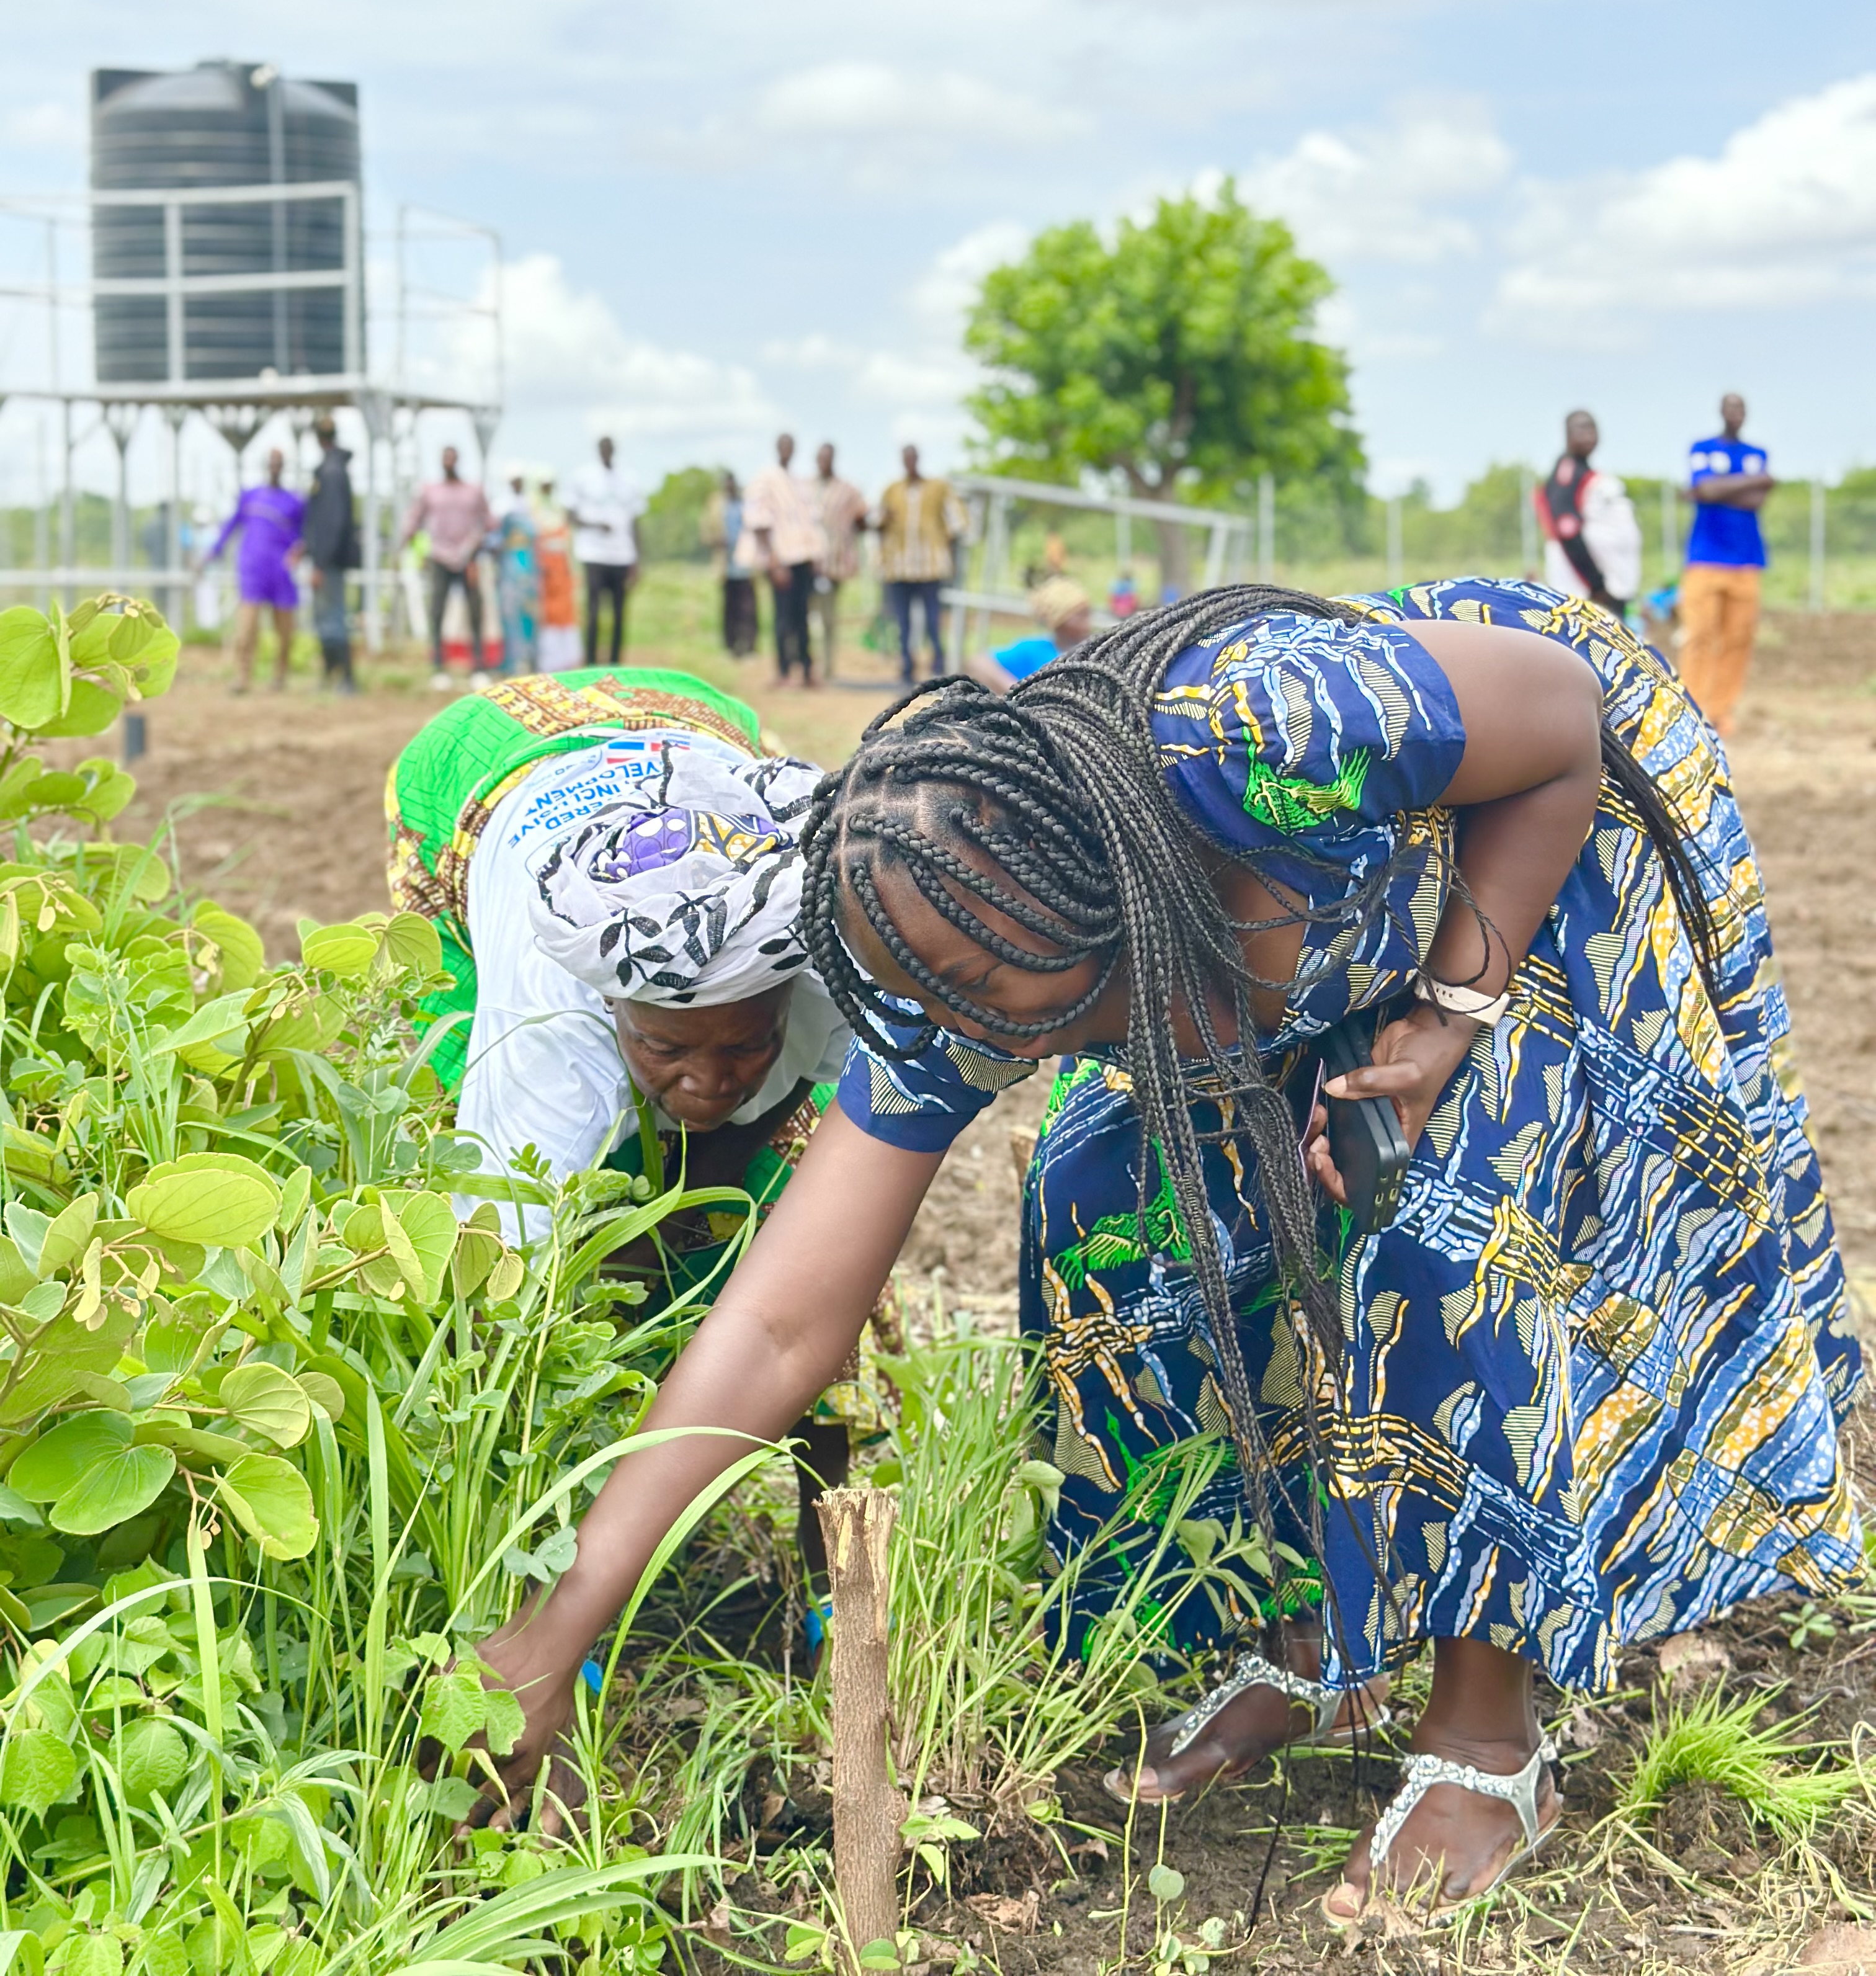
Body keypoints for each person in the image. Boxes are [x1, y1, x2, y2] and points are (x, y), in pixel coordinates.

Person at [455, 577, 1857, 1931]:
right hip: (1279, 928)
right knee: (1102, 1211)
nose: (998, 1051)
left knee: (1445, 1236)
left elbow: (1557, 721)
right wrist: (556, 1626)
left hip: (1528, 837)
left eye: (1033, 1015)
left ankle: (1488, 1733)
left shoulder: (1272, 735)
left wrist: (1447, 1011)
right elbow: (776, 1325)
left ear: (1113, 895)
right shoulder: (950, 950)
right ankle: (1300, 1636)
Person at [385, 665, 865, 1602]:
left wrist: (710, 1190)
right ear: (610, 1008)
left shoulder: (831, 961)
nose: (709, 1081)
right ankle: (561, 1545)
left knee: (799, 1213)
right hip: (477, 773)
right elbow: (505, 1291)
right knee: (551, 1247)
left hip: (692, 724)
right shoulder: (548, 1025)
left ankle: (834, 1596)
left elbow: (842, 1214)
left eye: (746, 1045)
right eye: (663, 1047)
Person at [1680, 393, 1775, 738]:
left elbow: (1756, 500)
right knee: (1700, 635)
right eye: (1730, 407)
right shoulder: (1702, 447)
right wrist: (1755, 481)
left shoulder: (1757, 453)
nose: (1736, 413)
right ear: (1721, 411)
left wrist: (1719, 490)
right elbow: (1705, 490)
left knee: (1739, 638)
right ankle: (1692, 707)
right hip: (1705, 558)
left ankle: (1721, 712)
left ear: (1746, 415)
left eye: (1741, 408)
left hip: (1747, 560)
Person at [203, 446, 303, 694]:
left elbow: (303, 536)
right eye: (271, 462)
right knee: (247, 628)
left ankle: (280, 675)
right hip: (253, 570)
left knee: (285, 629)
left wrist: (299, 552)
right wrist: (213, 552)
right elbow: (231, 526)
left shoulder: (294, 502)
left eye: (279, 463)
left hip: (281, 572)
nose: (275, 467)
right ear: (266, 465)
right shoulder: (250, 497)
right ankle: (243, 676)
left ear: (283, 467)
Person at [398, 447, 495, 692]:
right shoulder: (430, 491)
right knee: (437, 611)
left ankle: (479, 666)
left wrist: (477, 545)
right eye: (445, 458)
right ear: (441, 462)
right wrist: (413, 551)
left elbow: (489, 522)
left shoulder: (473, 491)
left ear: (457, 460)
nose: (449, 462)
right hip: (440, 557)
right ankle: (439, 666)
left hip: (468, 558)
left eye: (452, 458)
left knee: (475, 611)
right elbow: (413, 522)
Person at [1532, 411, 1641, 619]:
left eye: (1592, 428)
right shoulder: (1569, 471)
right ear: (1567, 434)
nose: (1589, 435)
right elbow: (1566, 531)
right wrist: (1597, 584)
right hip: (1586, 589)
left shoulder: (1583, 470)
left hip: (1603, 585)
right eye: (1581, 429)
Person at [875, 444, 964, 685]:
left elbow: (958, 520)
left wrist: (942, 538)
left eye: (913, 458)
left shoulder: (937, 488)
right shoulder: (892, 490)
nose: (910, 463)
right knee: (902, 621)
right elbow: (878, 521)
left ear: (918, 459)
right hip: (900, 567)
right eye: (906, 459)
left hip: (929, 566)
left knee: (933, 619)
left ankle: (937, 663)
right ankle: (907, 664)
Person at [744, 434, 826, 688]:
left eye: (791, 447)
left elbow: (810, 523)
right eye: (784, 447)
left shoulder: (800, 483)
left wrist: (815, 556)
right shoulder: (766, 479)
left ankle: (806, 670)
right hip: (780, 561)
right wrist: (774, 562)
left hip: (802, 560)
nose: (787, 451)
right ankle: (783, 672)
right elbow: (759, 523)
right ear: (778, 449)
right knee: (783, 618)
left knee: (802, 617)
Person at [569, 436, 645, 667]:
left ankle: (615, 663)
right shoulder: (583, 477)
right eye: (603, 449)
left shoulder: (629, 479)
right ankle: (591, 662)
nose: (606, 453)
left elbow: (636, 522)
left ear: (614, 451)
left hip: (622, 556)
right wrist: (595, 525)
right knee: (593, 612)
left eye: (609, 449)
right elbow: (571, 516)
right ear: (598, 451)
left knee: (620, 614)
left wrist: (637, 559)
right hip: (594, 555)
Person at [303, 415, 360, 693]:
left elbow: (332, 522)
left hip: (329, 561)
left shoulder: (330, 472)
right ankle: (332, 676)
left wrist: (320, 562)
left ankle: (345, 678)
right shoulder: (334, 469)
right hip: (329, 559)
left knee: (333, 617)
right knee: (328, 617)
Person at [967, 574, 1092, 692]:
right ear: (1060, 621)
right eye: (1080, 616)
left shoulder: (1093, 651)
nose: (1088, 623)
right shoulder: (1035, 650)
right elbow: (979, 663)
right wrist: (1017, 691)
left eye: (1087, 614)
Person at [811, 442, 868, 684]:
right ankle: (805, 666)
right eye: (820, 458)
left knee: (829, 619)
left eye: (828, 458)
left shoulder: (847, 491)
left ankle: (828, 668)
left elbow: (862, 519)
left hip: (833, 567)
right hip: (809, 564)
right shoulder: (806, 488)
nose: (824, 462)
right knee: (804, 618)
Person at [701, 469, 758, 658]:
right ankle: (731, 647)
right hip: (726, 565)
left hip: (747, 565)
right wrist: (717, 541)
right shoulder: (716, 504)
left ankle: (749, 645)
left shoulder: (746, 503)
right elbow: (706, 532)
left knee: (748, 608)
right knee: (729, 608)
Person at [490, 472, 540, 677]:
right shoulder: (501, 506)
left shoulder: (531, 505)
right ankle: (510, 662)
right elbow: (494, 539)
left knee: (529, 614)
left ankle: (530, 661)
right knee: (509, 613)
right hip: (509, 568)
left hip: (528, 568)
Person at [532, 478, 583, 673]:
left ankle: (568, 659)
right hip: (545, 571)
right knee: (549, 614)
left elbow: (569, 544)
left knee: (567, 613)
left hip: (563, 571)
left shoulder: (560, 511)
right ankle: (549, 661)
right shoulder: (534, 512)